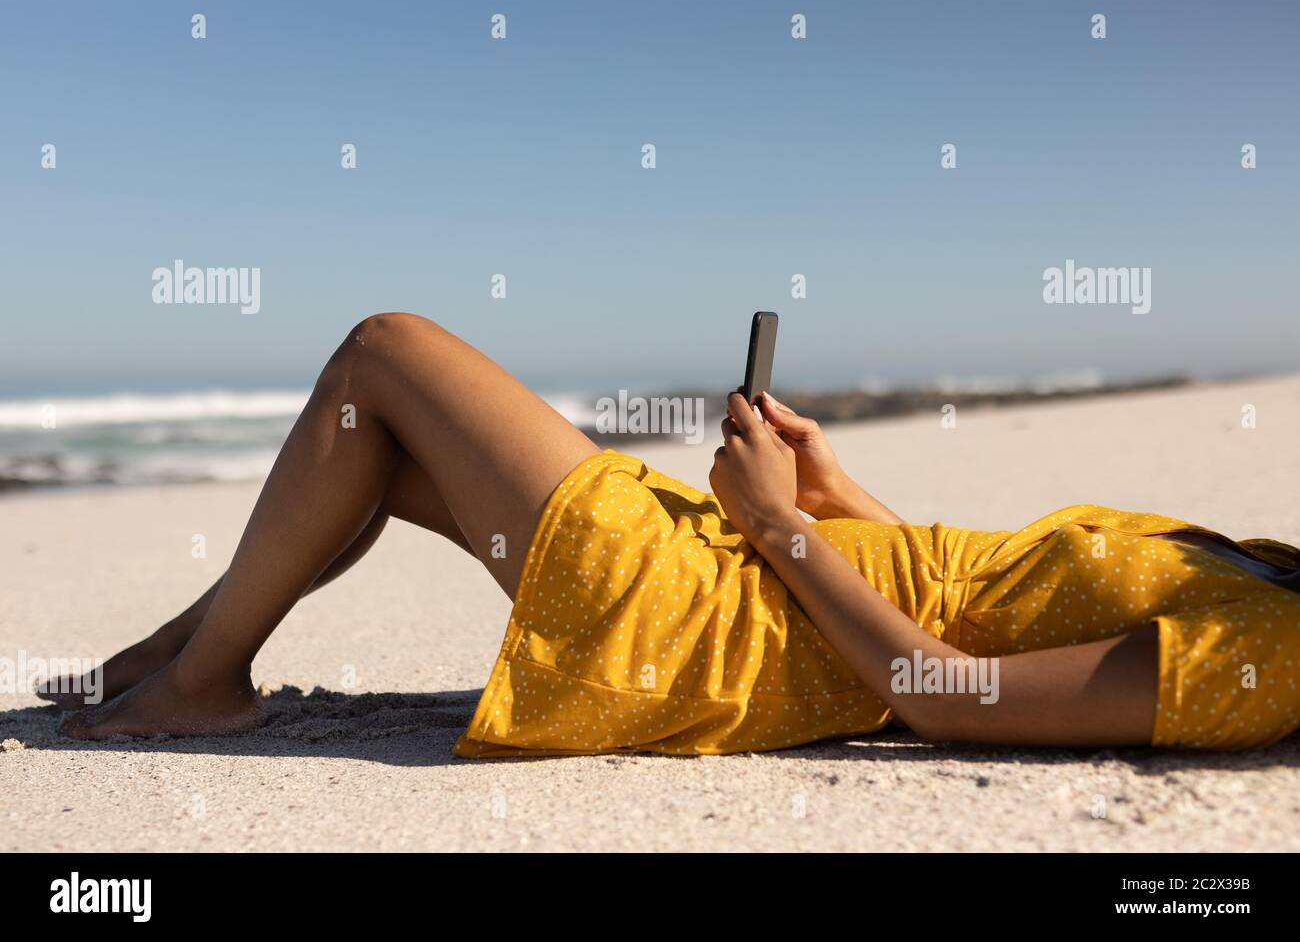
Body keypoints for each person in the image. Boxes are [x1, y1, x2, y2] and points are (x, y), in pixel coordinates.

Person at [46, 313, 1300, 753]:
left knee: (383, 353)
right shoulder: (1269, 567)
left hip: (721, 623)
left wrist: (774, 531)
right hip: (754, 562)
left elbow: (955, 697)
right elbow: (972, 591)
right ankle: (171, 664)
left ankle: (198, 682)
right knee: (371, 442)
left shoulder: (1276, 655)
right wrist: (827, 486)